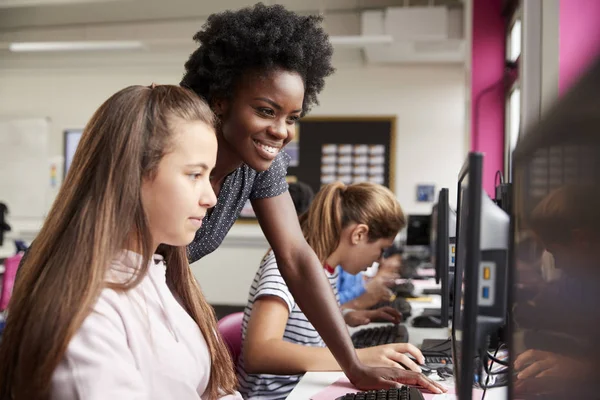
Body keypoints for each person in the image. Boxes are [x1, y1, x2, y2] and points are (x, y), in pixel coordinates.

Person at [180, 3, 422, 389]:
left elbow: (295, 254)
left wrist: (353, 365)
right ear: (220, 99)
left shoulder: (259, 165)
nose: (282, 132)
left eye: (292, 117)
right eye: (266, 110)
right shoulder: (176, 152)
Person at [0, 85, 241, 399]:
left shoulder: (165, 281)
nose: (210, 198)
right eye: (194, 175)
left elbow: (218, 392)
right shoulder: (86, 315)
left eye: (209, 176)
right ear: (132, 175)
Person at [237, 182, 447, 399]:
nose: (380, 259)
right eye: (381, 249)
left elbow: (302, 322)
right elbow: (258, 353)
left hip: (307, 388)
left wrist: (346, 314)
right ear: (358, 234)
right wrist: (358, 357)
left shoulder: (328, 270)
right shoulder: (284, 269)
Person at [338, 245, 403, 309]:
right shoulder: (343, 265)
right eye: (381, 250)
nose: (381, 260)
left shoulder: (354, 267)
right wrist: (367, 287)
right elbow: (334, 302)